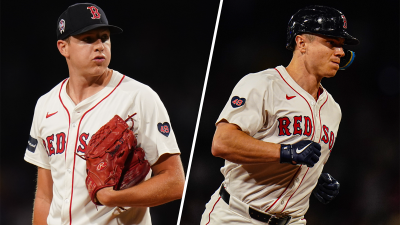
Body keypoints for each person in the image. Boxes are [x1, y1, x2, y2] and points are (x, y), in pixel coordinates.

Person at [24, 3, 185, 225]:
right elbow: (44, 195)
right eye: (88, 39)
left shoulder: (137, 97)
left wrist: (114, 197)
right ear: (63, 47)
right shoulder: (46, 104)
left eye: (104, 38)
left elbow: (175, 181)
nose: (99, 46)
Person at [200, 5, 359, 225]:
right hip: (238, 216)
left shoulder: (333, 109)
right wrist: (286, 152)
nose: (340, 52)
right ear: (301, 43)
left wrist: (310, 180)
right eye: (331, 43)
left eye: (341, 46)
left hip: (292, 220)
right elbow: (222, 143)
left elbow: (298, 156)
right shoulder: (262, 84)